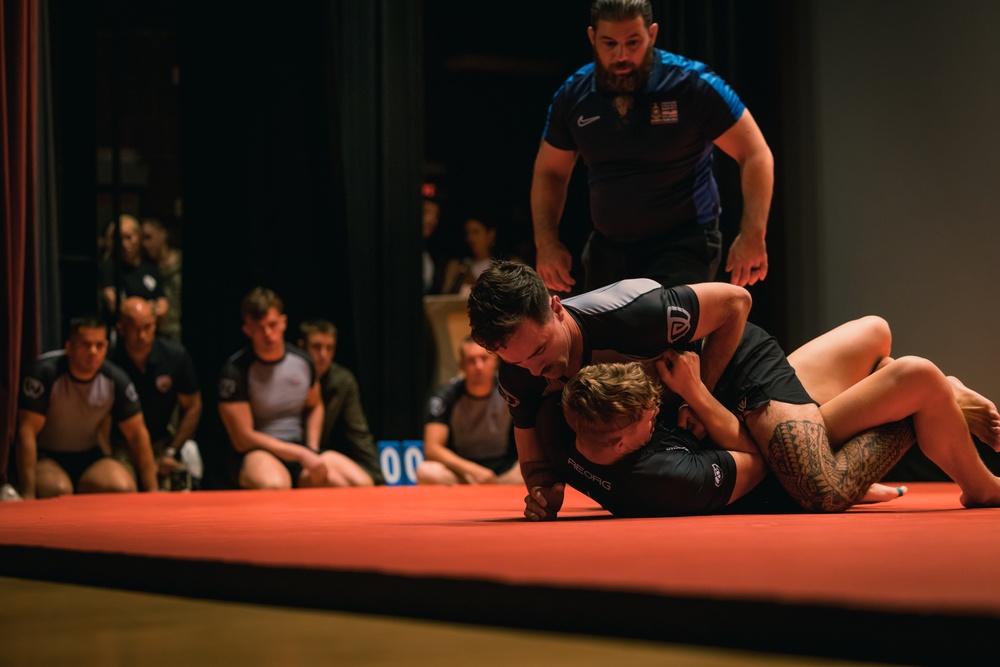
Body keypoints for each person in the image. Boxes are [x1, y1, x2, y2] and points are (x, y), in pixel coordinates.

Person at [466, 261, 901, 517]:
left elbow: (736, 302)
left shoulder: (635, 315)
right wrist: (544, 491)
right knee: (797, 466)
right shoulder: (519, 372)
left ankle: (906, 400)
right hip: (679, 408)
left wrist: (699, 392)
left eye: (540, 351)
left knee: (813, 484)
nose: (537, 370)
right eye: (519, 361)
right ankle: (879, 373)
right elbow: (533, 458)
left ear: (557, 309)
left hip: (723, 367)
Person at [552, 317, 1000, 518]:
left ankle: (928, 394)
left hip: (743, 408)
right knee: (918, 376)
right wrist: (696, 393)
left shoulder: (576, 427)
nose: (656, 418)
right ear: (621, 445)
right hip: (776, 462)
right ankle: (979, 481)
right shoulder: (663, 478)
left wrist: (540, 488)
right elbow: (761, 457)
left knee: (874, 331)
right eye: (648, 423)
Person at [531, 0, 773, 293]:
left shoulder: (692, 84)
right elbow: (550, 173)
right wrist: (546, 243)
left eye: (633, 42)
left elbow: (755, 154)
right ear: (592, 37)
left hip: (684, 242)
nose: (622, 56)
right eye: (609, 43)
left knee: (662, 333)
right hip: (609, 247)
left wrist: (752, 234)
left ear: (652, 34)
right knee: (600, 339)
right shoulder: (572, 96)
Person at [14, 315, 157, 499]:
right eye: (85, 344)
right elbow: (27, 431)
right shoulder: (44, 373)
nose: (93, 352)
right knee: (57, 489)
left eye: (100, 345)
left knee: (122, 486)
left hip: (89, 456)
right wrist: (27, 493)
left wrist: (153, 491)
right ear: (69, 347)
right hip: (47, 456)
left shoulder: (115, 379)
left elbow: (137, 434)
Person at [218, 288, 338, 490]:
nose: (267, 334)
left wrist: (312, 447)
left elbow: (315, 405)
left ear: (283, 322)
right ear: (247, 329)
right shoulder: (235, 371)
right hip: (259, 453)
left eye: (272, 325)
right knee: (275, 485)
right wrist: (300, 453)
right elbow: (243, 439)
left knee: (358, 482)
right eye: (259, 327)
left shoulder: (302, 361)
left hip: (301, 449)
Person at [111, 297, 203, 489]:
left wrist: (172, 450)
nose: (142, 335)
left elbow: (193, 405)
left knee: (181, 484)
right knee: (120, 487)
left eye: (148, 327)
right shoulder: (110, 362)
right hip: (121, 444)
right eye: (135, 328)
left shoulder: (174, 356)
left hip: (162, 441)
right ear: (121, 328)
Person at [416, 338, 521, 486]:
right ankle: (488, 487)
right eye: (471, 361)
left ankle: (494, 485)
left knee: (538, 468)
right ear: (462, 366)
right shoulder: (446, 396)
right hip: (464, 470)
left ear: (496, 361)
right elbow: (432, 449)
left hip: (504, 468)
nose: (479, 366)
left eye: (484, 359)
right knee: (426, 471)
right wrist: (472, 470)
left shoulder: (511, 390)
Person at [297, 318, 382, 486]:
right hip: (289, 456)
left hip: (318, 454)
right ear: (302, 347)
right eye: (316, 347)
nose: (323, 355)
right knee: (336, 482)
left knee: (364, 483)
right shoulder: (289, 376)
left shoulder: (342, 380)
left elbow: (358, 432)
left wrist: (378, 477)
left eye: (329, 348)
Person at [99, 214, 169, 323]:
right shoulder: (109, 268)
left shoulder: (150, 268)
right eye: (120, 239)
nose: (124, 244)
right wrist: (149, 306)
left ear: (138, 237)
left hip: (149, 333)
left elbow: (163, 307)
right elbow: (114, 305)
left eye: (129, 237)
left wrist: (130, 305)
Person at [141, 217, 183, 341]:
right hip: (157, 333)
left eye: (149, 237)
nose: (145, 244)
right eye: (142, 239)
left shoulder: (180, 261)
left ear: (162, 235)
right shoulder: (146, 268)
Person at [442, 216, 498, 296]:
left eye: (476, 232)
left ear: (490, 234)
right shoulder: (458, 266)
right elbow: (446, 299)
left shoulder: (503, 265)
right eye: (468, 233)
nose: (471, 238)